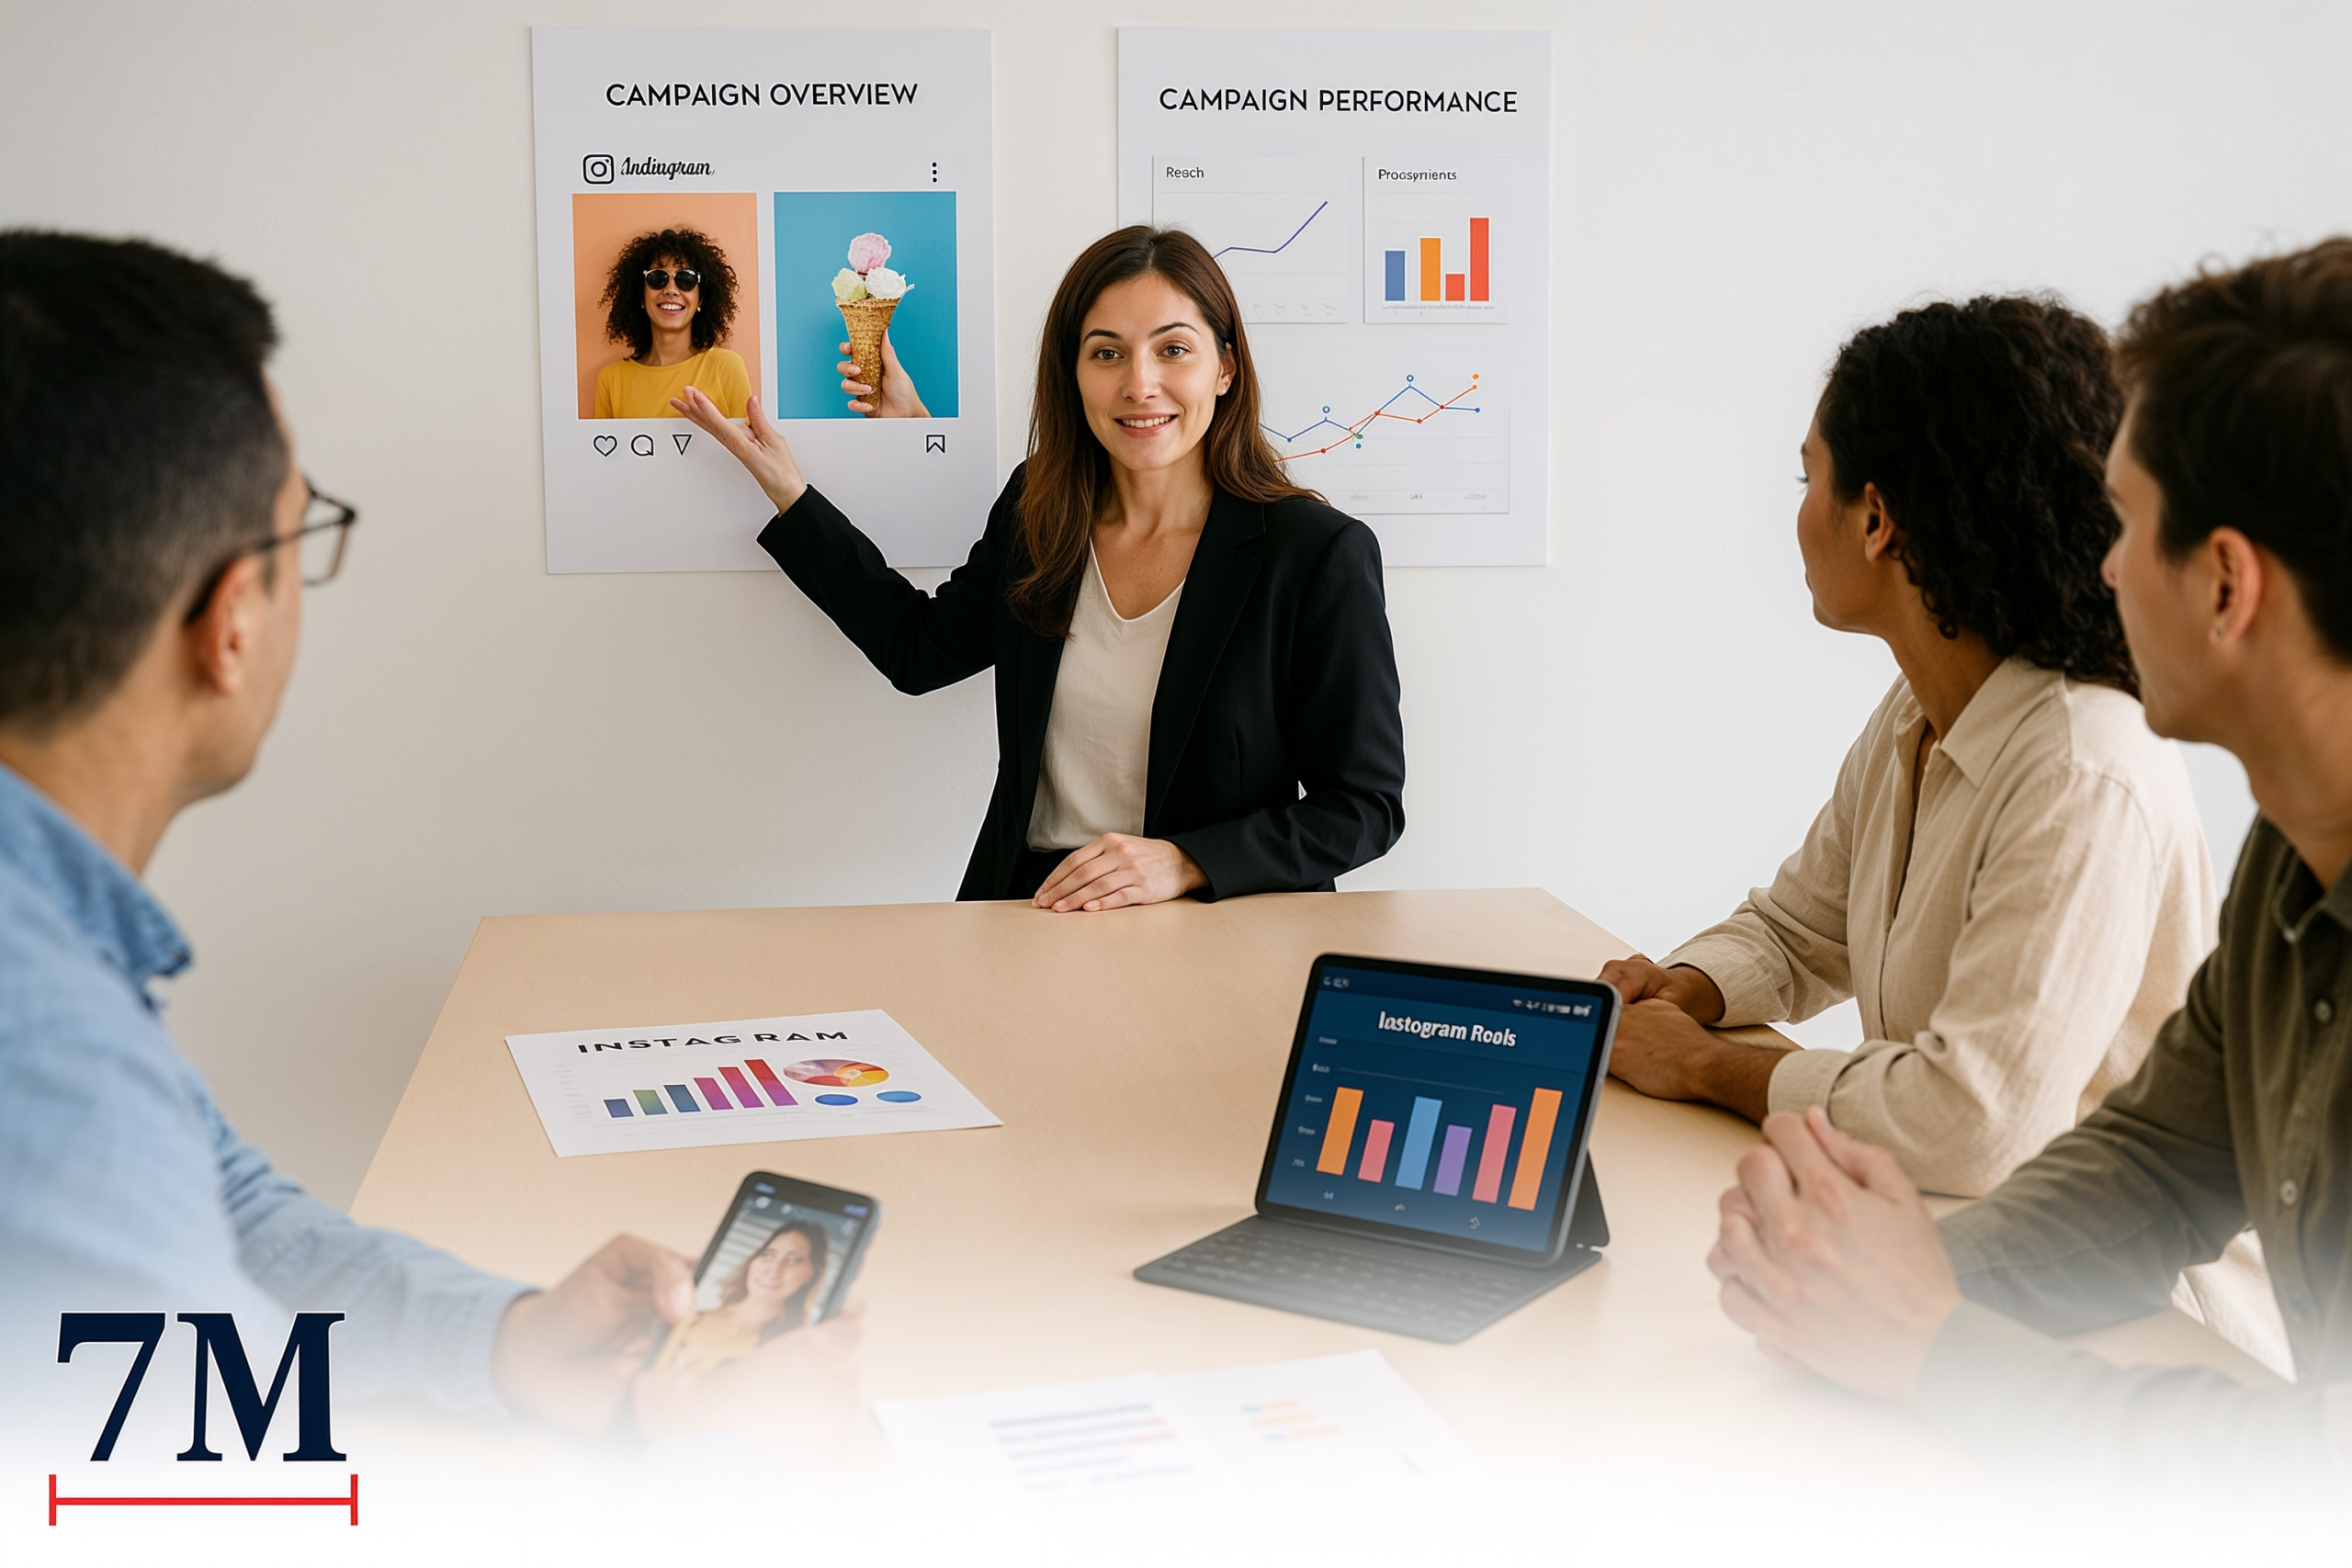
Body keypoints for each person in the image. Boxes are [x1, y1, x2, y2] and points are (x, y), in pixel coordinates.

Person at [0, 230, 841, 1446]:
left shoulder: (56, 964)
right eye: (299, 535)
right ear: (232, 622)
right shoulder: (47, 1055)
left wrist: (502, 1339)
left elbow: (231, 1210)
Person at [1707, 239, 2352, 1486]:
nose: (2100, 562)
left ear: (2226, 584)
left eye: (2131, 524)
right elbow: (2156, 1165)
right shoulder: (2292, 859)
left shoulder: (2092, 760)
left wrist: (1932, 1343)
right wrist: (1864, 1278)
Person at [1600, 297, 2215, 1203]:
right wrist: (1686, 986)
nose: (1797, 512)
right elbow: (1800, 930)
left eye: (1809, 477)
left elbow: (1970, 1120)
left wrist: (1702, 1066)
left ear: (1876, 518)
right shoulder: (1919, 710)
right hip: (1951, 1223)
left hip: (2101, 1271)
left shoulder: (2080, 769)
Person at [674, 226, 1406, 910]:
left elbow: (1365, 807)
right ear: (1074, 373)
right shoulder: (1039, 511)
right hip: (1035, 912)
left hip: (1218, 927)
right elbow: (916, 651)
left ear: (1225, 368)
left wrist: (1188, 860)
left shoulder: (1315, 553)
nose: (1140, 384)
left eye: (1173, 350)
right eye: (1107, 353)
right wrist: (791, 494)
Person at [591, 226, 751, 420]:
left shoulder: (726, 367)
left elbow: (745, 439)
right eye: (657, 278)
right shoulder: (610, 380)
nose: (671, 290)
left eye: (686, 279)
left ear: (700, 299)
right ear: (640, 296)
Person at [652, 1223, 828, 1372]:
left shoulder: (794, 1348)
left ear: (811, 1274)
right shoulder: (691, 1318)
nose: (774, 1269)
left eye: (794, 1259)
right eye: (768, 1255)